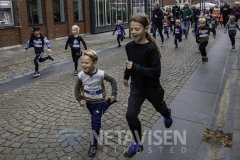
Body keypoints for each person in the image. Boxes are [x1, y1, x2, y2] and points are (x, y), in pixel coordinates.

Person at [123, 13, 173, 158]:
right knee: (130, 115)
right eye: (131, 29)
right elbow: (130, 63)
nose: (133, 32)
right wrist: (126, 76)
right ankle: (137, 142)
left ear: (146, 28)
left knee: (161, 107)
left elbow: (156, 73)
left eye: (137, 29)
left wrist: (136, 67)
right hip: (137, 87)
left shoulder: (151, 49)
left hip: (152, 87)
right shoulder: (129, 46)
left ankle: (167, 114)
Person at [74, 50, 117, 157]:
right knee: (97, 114)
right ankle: (108, 103)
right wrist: (80, 100)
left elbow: (113, 81)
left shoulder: (101, 74)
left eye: (87, 63)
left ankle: (93, 145)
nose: (83, 65)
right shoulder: (81, 75)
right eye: (82, 62)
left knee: (95, 122)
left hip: (99, 102)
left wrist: (113, 94)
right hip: (89, 103)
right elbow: (76, 89)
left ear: (94, 63)